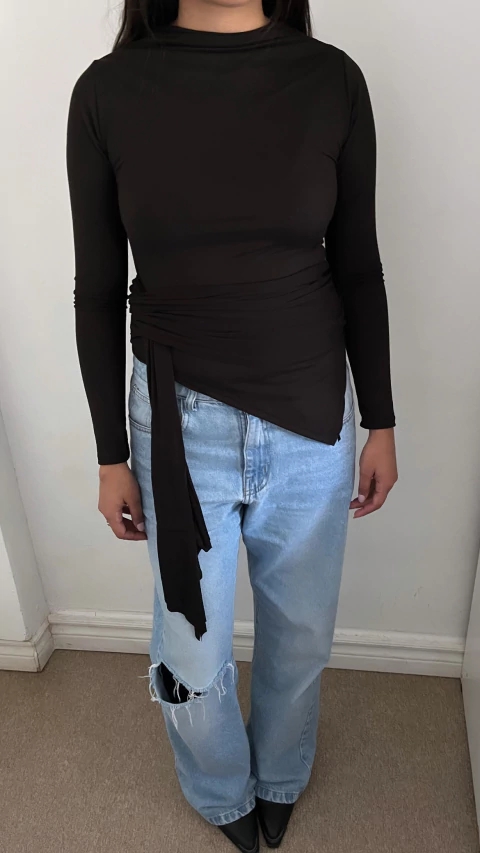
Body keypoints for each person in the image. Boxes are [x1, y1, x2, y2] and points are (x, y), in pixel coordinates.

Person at [66, 0, 398, 849]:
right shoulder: (107, 92)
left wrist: (382, 421)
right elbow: (97, 291)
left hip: (314, 420)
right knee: (191, 645)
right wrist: (110, 455)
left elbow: (357, 265)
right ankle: (220, 789)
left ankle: (281, 772)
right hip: (179, 427)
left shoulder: (331, 81)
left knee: (302, 632)